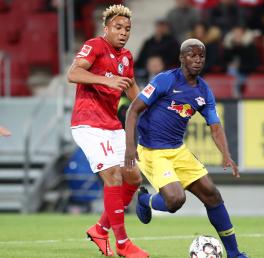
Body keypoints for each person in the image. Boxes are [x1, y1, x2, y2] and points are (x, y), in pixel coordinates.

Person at [125, 38, 248, 258]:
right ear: (182, 58)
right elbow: (133, 110)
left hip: (178, 149)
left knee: (212, 195)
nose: (197, 59)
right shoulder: (165, 80)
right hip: (152, 150)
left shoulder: (203, 91)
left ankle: (235, 253)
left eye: (201, 55)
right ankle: (144, 200)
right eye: (192, 55)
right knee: (175, 200)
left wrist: (226, 155)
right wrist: (130, 146)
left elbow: (215, 127)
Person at [67, 5, 149, 258]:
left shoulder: (127, 58)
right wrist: (106, 79)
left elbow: (132, 89)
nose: (123, 32)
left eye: (127, 29)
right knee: (113, 174)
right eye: (118, 27)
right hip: (88, 123)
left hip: (112, 124)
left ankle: (100, 229)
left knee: (133, 177)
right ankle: (123, 243)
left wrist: (152, 112)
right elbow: (73, 73)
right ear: (106, 28)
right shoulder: (95, 45)